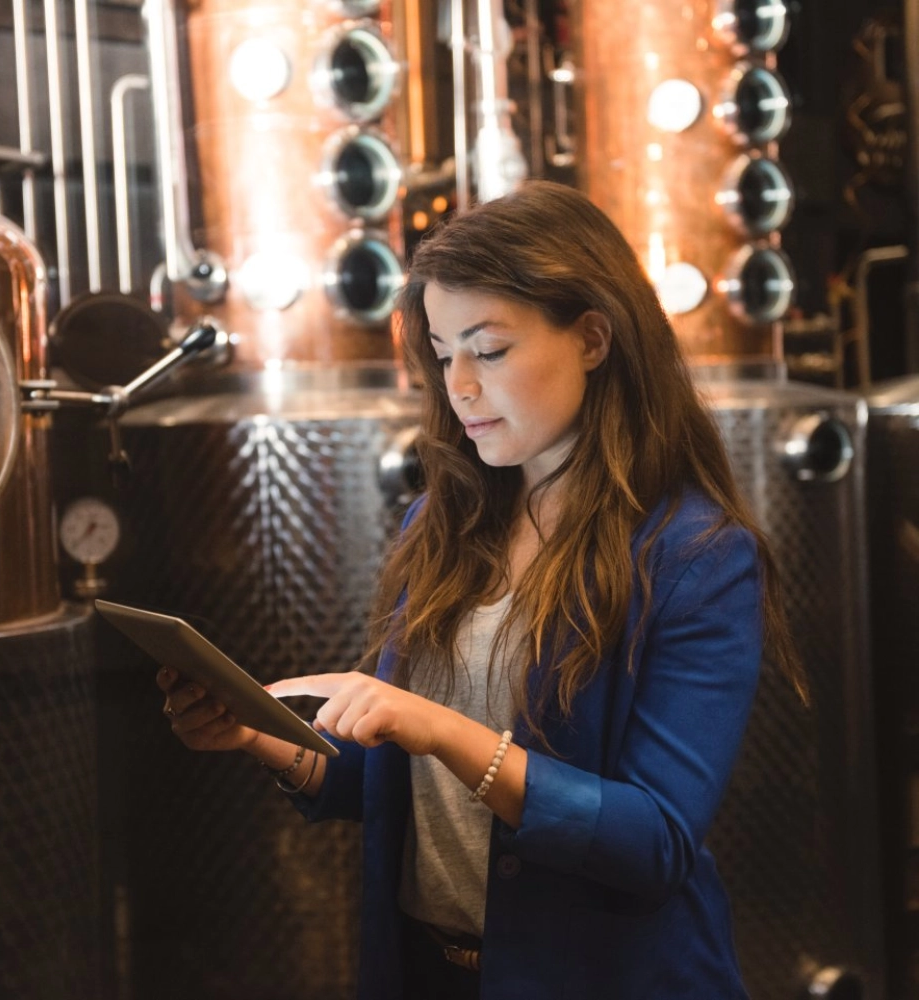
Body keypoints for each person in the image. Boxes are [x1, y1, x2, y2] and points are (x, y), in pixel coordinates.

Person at [156, 180, 806, 1000]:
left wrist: (438, 728)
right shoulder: (444, 521)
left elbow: (655, 843)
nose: (458, 383)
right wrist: (260, 733)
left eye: (489, 350)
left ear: (594, 338)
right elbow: (408, 793)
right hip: (431, 971)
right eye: (441, 350)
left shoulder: (696, 557)